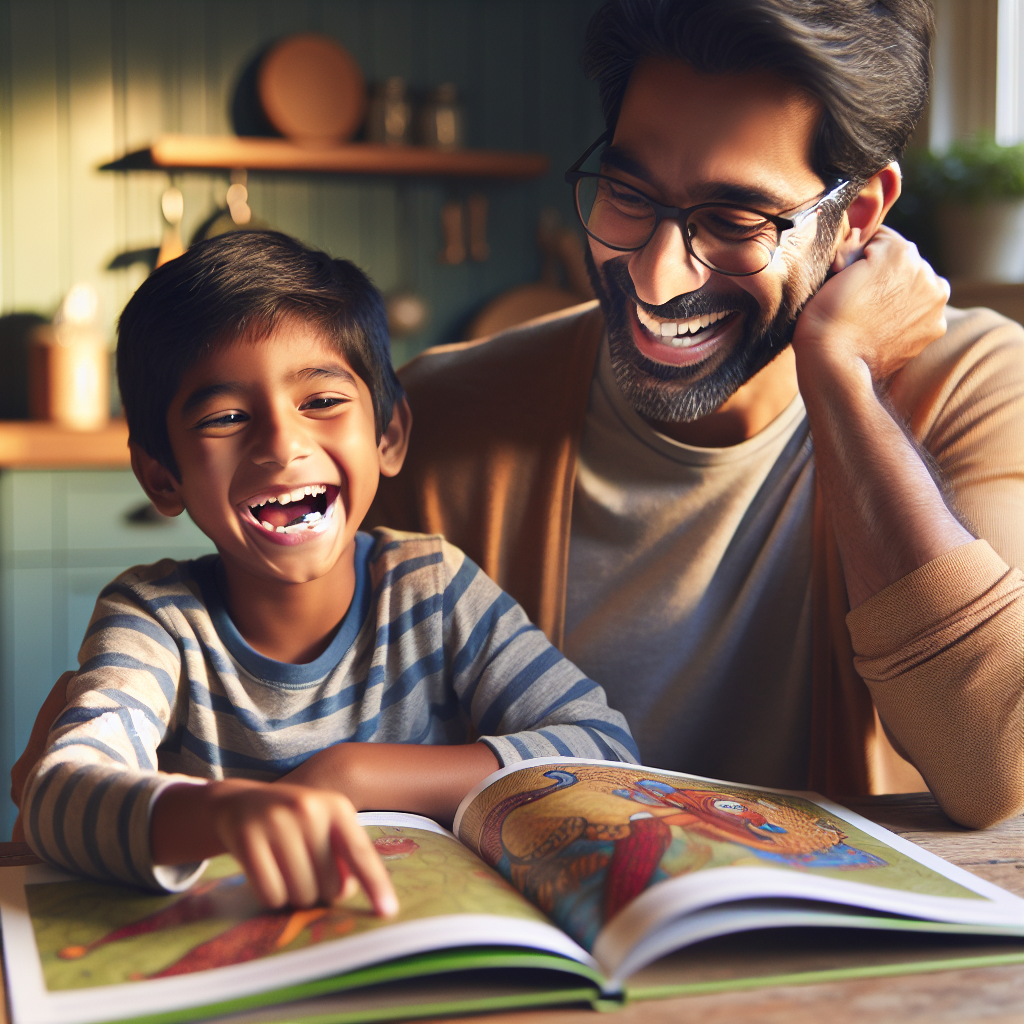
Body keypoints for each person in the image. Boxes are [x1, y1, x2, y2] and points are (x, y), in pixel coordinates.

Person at [370, 0, 1024, 829]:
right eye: (627, 193)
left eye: (734, 221)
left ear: (856, 217)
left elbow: (991, 769)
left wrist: (840, 376)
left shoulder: (975, 385)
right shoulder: (436, 418)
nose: (655, 276)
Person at [17, 231, 638, 910]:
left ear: (388, 436)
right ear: (163, 477)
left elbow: (604, 753)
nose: (283, 445)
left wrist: (353, 775)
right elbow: (56, 793)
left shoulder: (434, 589)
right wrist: (224, 814)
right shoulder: (155, 618)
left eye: (321, 401)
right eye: (226, 417)